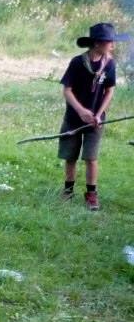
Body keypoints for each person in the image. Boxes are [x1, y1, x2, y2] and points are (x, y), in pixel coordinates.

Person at [57, 22, 130, 211]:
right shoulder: (77, 62)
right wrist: (81, 111)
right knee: (70, 156)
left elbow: (110, 90)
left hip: (96, 122)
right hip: (73, 118)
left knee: (91, 157)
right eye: (109, 41)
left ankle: (91, 194)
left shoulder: (109, 64)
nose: (113, 45)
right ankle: (68, 190)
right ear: (97, 43)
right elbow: (67, 90)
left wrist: (98, 114)